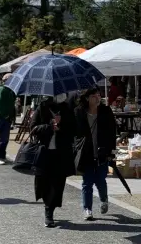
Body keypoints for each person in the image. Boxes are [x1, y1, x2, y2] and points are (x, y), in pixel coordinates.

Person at [30, 94, 75, 227]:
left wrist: (61, 125)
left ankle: (49, 211)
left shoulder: (67, 108)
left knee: (57, 184)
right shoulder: (42, 108)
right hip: (44, 152)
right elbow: (33, 128)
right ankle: (47, 204)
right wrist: (50, 126)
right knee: (43, 182)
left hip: (61, 153)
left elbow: (74, 129)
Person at [75, 88, 117, 220]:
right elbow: (74, 132)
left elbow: (112, 133)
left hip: (102, 152)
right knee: (87, 182)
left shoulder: (106, 111)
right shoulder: (79, 112)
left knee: (100, 180)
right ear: (87, 98)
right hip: (85, 152)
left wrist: (112, 152)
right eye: (94, 96)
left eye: (99, 96)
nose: (97, 98)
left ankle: (104, 199)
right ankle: (87, 209)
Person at [0, 74, 17, 164]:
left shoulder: (8, 90)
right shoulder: (3, 89)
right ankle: (0, 156)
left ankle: (2, 155)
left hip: (5, 116)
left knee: (5, 138)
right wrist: (6, 115)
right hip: (2, 116)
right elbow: (0, 105)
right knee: (3, 138)